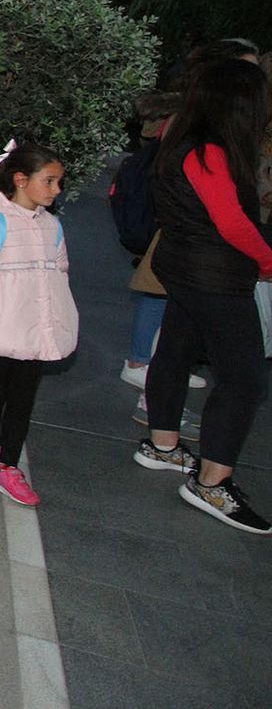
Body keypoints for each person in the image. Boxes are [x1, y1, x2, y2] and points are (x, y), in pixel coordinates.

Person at [136, 59, 272, 534]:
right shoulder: (210, 149)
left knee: (175, 352)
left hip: (186, 266)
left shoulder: (181, 135)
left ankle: (163, 446)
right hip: (214, 275)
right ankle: (212, 483)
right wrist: (268, 261)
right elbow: (231, 222)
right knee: (244, 378)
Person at [0, 143, 78, 508]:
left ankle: (8, 465)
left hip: (36, 329)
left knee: (22, 397)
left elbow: (60, 272)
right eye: (49, 181)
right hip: (1, 327)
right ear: (21, 180)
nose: (56, 189)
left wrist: (55, 318)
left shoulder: (52, 225)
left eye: (59, 182)